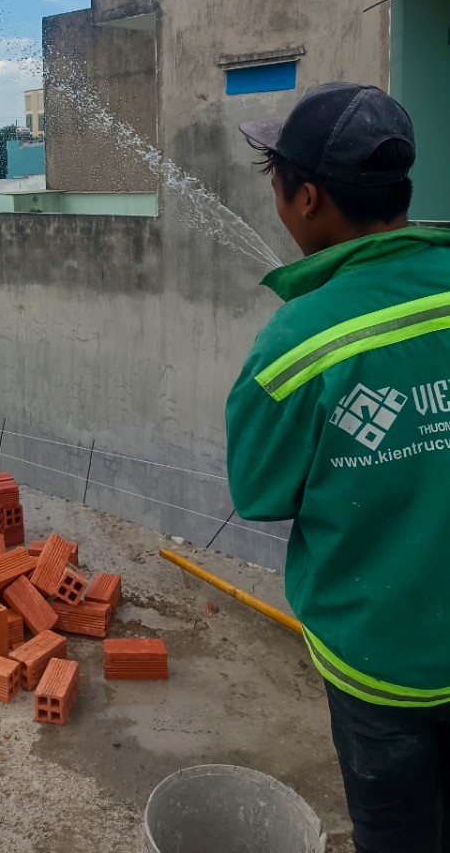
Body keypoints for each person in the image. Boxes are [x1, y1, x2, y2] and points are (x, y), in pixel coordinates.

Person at [226, 82, 450, 853]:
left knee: (394, 837)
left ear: (308, 199)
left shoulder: (294, 348)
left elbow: (259, 491)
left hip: (379, 666)